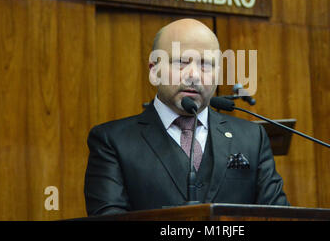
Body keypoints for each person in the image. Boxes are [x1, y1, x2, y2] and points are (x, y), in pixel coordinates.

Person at [84, 18, 289, 216]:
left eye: (205, 64)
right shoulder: (112, 141)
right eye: (181, 61)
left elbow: (279, 216)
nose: (194, 75)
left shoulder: (252, 138)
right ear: (154, 69)